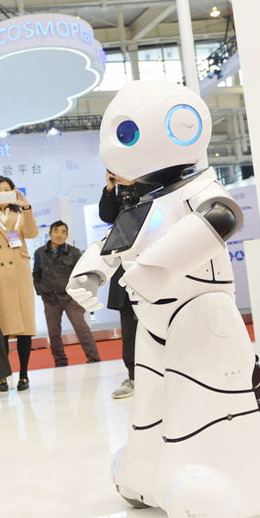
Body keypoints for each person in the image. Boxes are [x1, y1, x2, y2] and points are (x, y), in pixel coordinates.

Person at [0, 175, 39, 392]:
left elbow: (32, 234)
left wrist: (27, 206)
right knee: (0, 328)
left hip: (20, 276)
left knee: (24, 329)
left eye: (7, 190)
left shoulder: (21, 214)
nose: (3, 194)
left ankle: (24, 375)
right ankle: (2, 375)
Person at [99, 170, 151, 399]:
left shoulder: (150, 186)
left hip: (151, 263)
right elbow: (106, 215)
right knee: (129, 327)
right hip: (125, 265)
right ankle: (133, 376)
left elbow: (154, 207)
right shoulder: (117, 193)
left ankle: (162, 372)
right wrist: (111, 189)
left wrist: (136, 183)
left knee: (157, 321)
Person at [32, 221, 101, 367]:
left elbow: (82, 274)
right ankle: (60, 361)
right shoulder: (39, 253)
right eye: (56, 231)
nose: (59, 234)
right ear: (50, 233)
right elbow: (36, 274)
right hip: (50, 299)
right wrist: (41, 291)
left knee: (82, 329)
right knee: (54, 332)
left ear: (67, 235)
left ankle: (94, 359)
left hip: (71, 298)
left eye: (63, 232)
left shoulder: (74, 252)